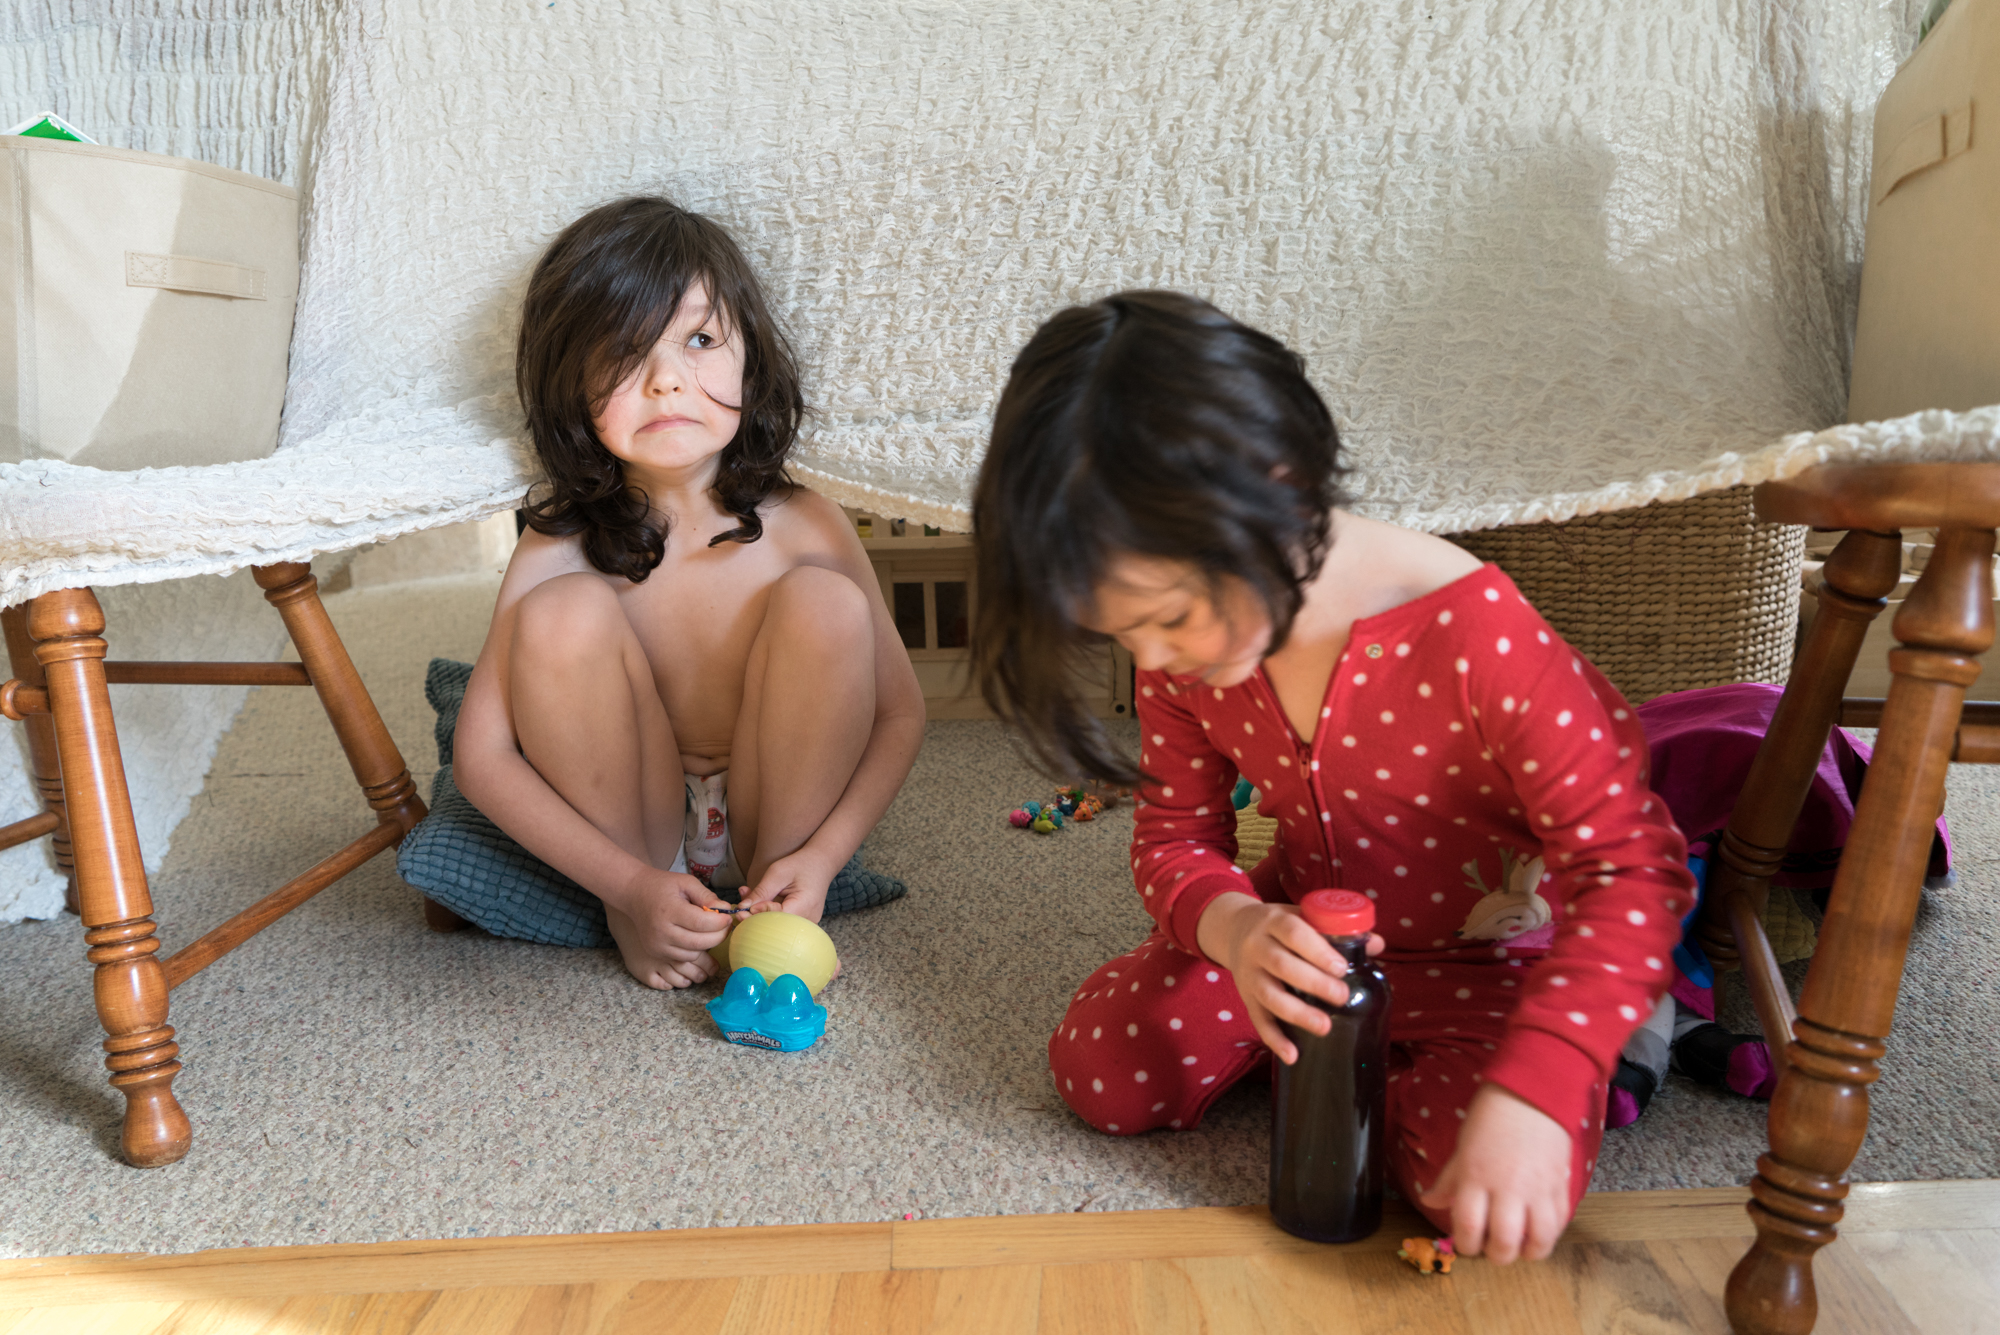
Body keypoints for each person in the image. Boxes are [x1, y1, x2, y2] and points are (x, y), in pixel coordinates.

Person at [969, 291, 1693, 1263]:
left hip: (1491, 959)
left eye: (1170, 617)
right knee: (1102, 1069)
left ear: (1277, 489)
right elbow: (1174, 839)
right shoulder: (1179, 657)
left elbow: (1630, 868)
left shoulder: (1477, 636)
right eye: (1120, 632)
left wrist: (1543, 1077)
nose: (1151, 657)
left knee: (1468, 1190)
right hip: (1305, 948)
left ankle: (1620, 1023)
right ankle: (1347, 1061)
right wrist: (1235, 928)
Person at [454, 197, 924, 991]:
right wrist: (626, 887)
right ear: (569, 385)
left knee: (826, 601)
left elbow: (898, 711)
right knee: (560, 612)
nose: (667, 379)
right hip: (631, 824)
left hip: (777, 808)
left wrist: (822, 856)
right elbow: (482, 756)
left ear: (752, 362)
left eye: (700, 340)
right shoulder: (558, 540)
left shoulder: (807, 521)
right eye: (622, 350)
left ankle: (768, 896)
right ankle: (642, 911)